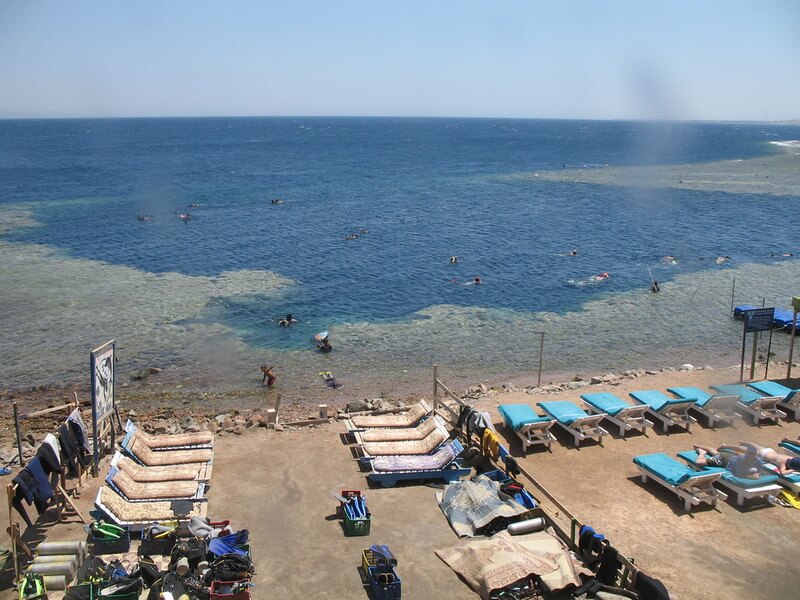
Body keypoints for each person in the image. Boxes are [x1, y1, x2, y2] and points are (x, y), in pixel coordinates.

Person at [693, 443, 764, 479]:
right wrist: (752, 477)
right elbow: (738, 474)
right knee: (698, 462)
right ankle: (701, 452)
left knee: (715, 453)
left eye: (752, 454)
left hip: (731, 456)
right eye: (749, 453)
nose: (750, 455)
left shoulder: (758, 460)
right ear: (746, 453)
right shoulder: (741, 459)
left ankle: (699, 446)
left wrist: (758, 474)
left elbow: (760, 471)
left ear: (755, 454)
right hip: (724, 460)